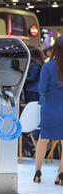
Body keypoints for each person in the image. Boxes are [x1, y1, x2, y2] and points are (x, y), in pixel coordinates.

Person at [33, 36, 63, 185]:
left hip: (50, 108)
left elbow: (41, 89)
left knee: (43, 139)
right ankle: (61, 174)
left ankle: (38, 172)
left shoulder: (48, 67)